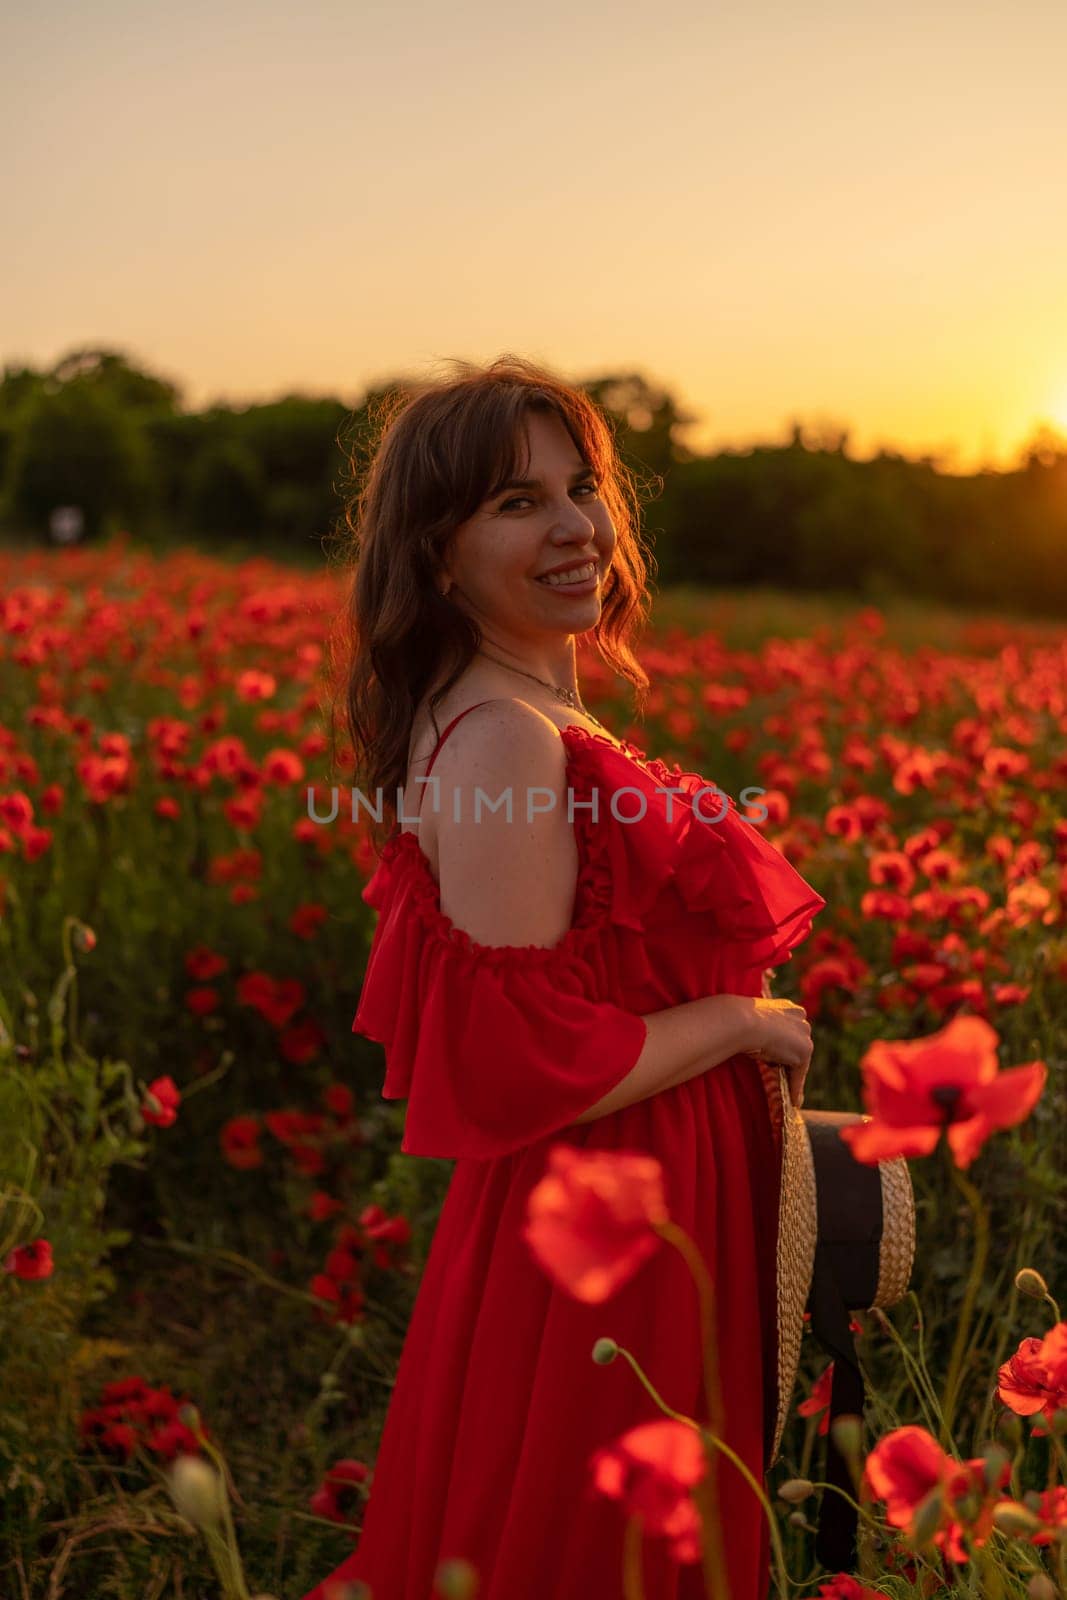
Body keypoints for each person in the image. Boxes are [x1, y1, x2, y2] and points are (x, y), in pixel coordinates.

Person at [304, 355, 824, 1600]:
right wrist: (742, 1020)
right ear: (436, 554)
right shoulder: (501, 736)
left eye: (578, 486)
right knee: (594, 1547)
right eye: (514, 502)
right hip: (601, 1219)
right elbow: (526, 1061)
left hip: (633, 1192)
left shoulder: (518, 709)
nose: (573, 525)